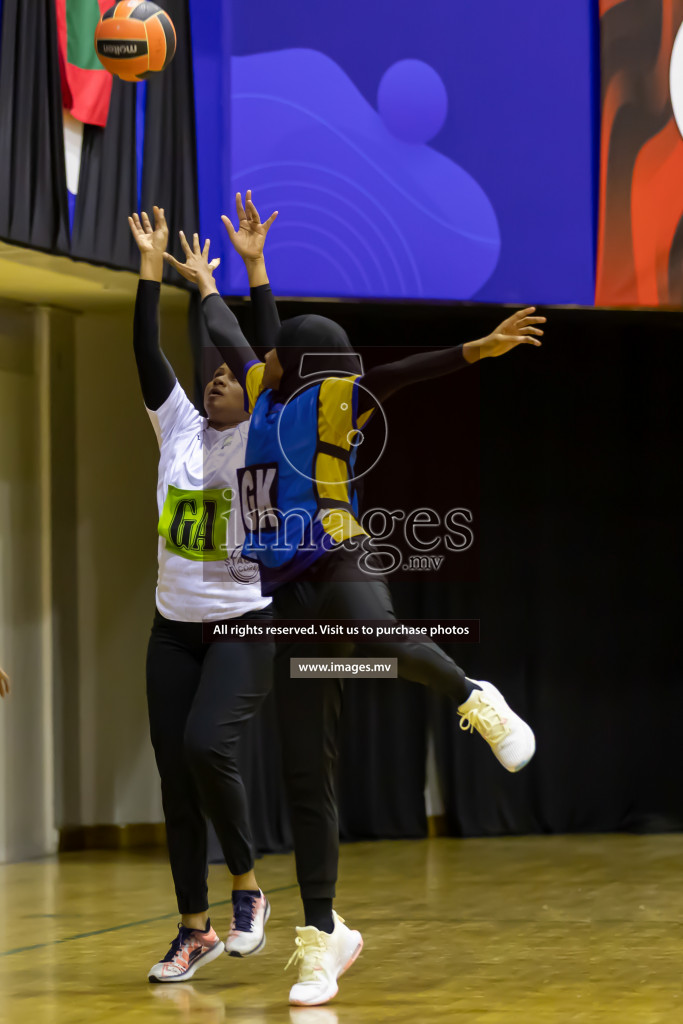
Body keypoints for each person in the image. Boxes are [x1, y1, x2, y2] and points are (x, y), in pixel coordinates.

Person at [165, 192, 543, 1007]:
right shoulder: (267, 388)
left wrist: (474, 349)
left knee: (376, 629)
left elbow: (400, 376)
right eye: (335, 366)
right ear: (303, 368)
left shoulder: (325, 394)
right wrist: (210, 281)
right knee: (307, 770)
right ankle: (321, 936)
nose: (351, 381)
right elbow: (239, 333)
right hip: (278, 592)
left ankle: (474, 696)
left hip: (339, 552)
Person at [129, 205, 275, 984]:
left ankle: (247, 886)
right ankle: (194, 928)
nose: (214, 377)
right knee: (173, 776)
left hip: (242, 627)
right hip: (172, 626)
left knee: (201, 744)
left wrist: (242, 275)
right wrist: (152, 268)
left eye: (226, 375)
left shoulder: (261, 441)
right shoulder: (179, 427)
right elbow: (146, 350)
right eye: (210, 373)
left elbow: (261, 355)